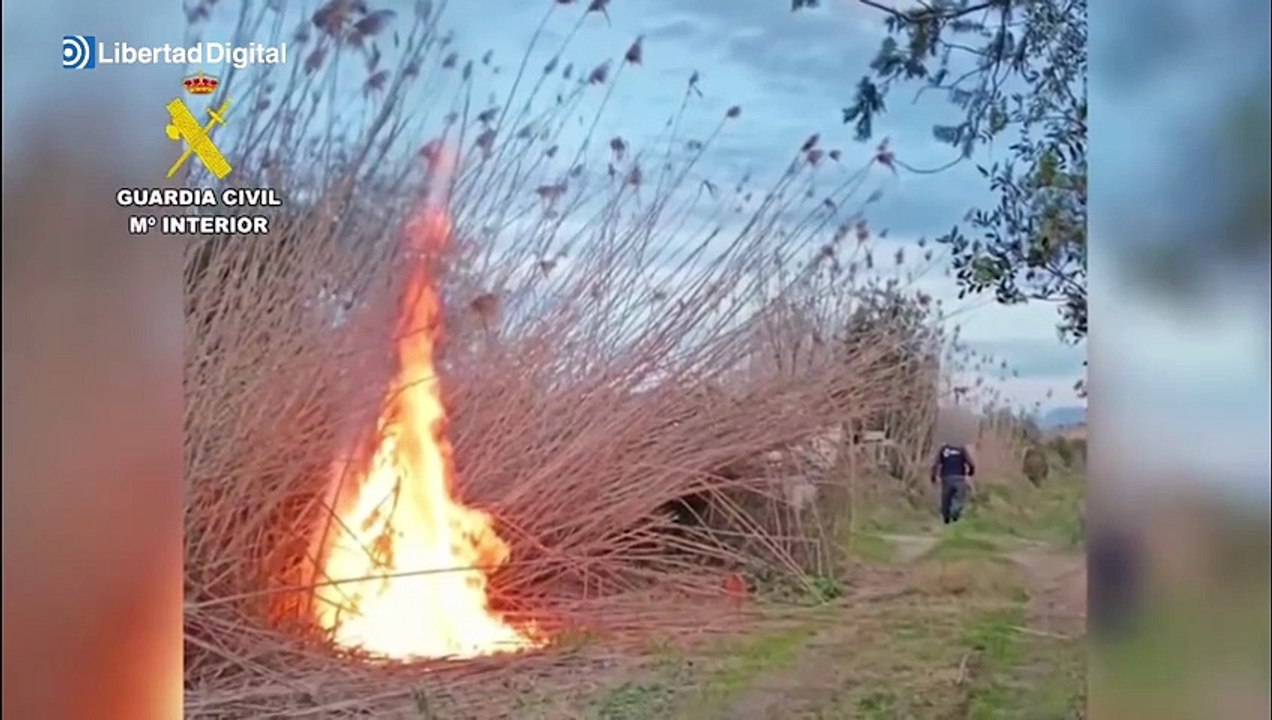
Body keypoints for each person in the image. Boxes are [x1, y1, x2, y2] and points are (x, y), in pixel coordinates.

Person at [930, 442, 976, 524]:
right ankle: (955, 512)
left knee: (946, 498)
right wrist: (970, 472)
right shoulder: (961, 449)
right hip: (959, 477)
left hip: (946, 477)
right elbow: (971, 463)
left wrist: (933, 476)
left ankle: (946, 518)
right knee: (959, 497)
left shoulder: (943, 449)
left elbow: (935, 464)